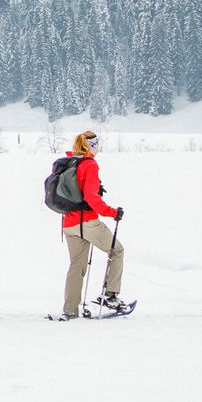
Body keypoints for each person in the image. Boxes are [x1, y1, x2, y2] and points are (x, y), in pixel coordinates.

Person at [56, 129, 128, 319]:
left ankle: (70, 310)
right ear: (91, 146)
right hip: (87, 222)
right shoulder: (90, 165)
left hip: (69, 223)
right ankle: (111, 296)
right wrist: (112, 212)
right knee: (117, 250)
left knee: (76, 266)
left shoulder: (71, 161)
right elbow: (91, 198)